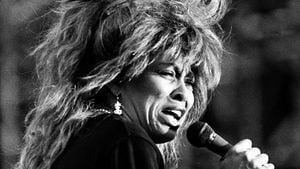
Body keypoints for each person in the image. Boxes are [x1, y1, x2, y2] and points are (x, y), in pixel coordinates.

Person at [15, 0, 275, 169]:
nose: (184, 95)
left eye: (190, 80)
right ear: (120, 76)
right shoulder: (126, 142)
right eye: (167, 74)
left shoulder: (79, 139)